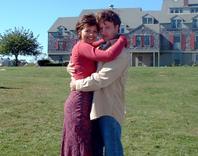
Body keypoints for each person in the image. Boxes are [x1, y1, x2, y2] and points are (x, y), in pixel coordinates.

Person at [60, 13, 127, 156]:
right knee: (89, 147)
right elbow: (83, 62)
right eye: (101, 28)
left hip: (109, 109)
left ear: (117, 28)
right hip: (93, 107)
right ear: (79, 32)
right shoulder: (103, 47)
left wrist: (76, 83)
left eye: (107, 27)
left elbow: (101, 78)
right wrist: (71, 67)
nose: (103, 32)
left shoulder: (121, 53)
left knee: (112, 151)